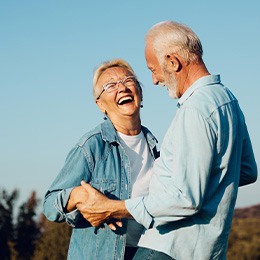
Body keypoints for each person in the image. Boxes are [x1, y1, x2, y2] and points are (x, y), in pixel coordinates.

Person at [76, 20, 258, 260]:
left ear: (173, 62)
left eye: (153, 69)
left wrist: (113, 207)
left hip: (167, 249)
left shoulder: (195, 110)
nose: (154, 80)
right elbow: (246, 171)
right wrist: (207, 184)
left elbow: (185, 199)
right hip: (209, 250)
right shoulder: (227, 99)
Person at [43, 59, 160, 260]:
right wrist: (77, 195)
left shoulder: (156, 147)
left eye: (128, 80)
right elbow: (49, 204)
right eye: (110, 85)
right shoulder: (92, 146)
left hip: (145, 251)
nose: (122, 87)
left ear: (140, 92)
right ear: (100, 104)